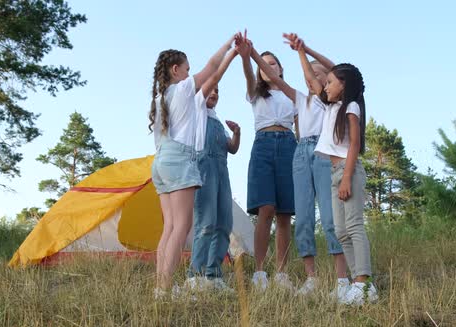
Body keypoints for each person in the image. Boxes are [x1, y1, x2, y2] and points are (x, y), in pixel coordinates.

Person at [148, 34, 241, 299]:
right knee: (181, 228)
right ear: (175, 70)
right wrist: (229, 49)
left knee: (169, 228)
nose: (190, 74)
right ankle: (166, 289)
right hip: (180, 161)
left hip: (161, 161)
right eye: (187, 69)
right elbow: (212, 70)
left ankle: (160, 287)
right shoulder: (182, 89)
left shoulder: (160, 98)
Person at [280, 33, 350, 298]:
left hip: (324, 155)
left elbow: (334, 69)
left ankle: (342, 281)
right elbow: (279, 80)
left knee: (331, 218)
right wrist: (253, 56)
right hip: (301, 153)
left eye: (321, 75)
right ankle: (311, 279)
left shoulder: (330, 101)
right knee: (304, 217)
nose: (314, 77)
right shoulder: (303, 100)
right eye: (313, 74)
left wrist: (304, 50)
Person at [314, 60, 379, 305]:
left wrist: (347, 178)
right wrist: (304, 49)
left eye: (330, 82)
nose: (325, 85)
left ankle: (364, 283)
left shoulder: (351, 106)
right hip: (334, 173)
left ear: (343, 84)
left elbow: (354, 144)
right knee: (340, 231)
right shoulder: (333, 107)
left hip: (347, 170)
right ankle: (357, 283)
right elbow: (317, 77)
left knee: (353, 226)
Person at [236, 34, 297, 291]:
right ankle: (260, 273)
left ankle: (281, 274)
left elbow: (303, 128)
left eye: (273, 64)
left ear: (281, 69)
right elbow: (250, 74)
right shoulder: (256, 93)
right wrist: (247, 56)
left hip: (288, 145)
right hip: (263, 145)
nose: (268, 67)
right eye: (265, 65)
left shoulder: (292, 96)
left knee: (285, 214)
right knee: (266, 209)